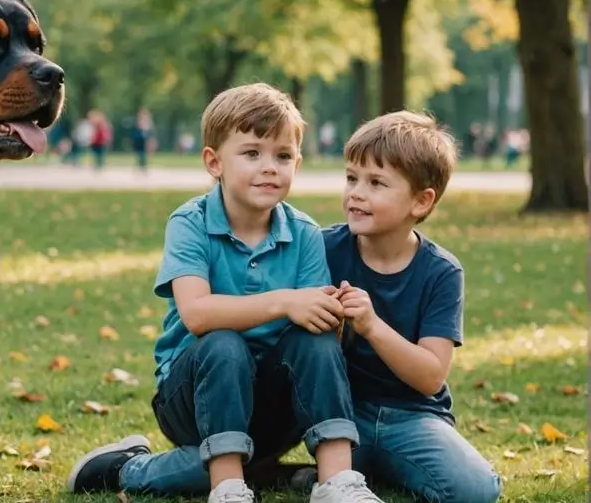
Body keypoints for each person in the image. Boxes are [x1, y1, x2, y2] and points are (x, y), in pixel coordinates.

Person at [67, 83, 383, 503]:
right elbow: (197, 315)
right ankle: (216, 483)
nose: (269, 167)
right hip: (195, 398)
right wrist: (286, 302)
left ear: (298, 163)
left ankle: (336, 481)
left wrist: (334, 312)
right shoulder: (190, 222)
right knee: (223, 343)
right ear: (214, 162)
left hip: (272, 405)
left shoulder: (305, 232)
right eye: (252, 153)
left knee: (317, 337)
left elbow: (319, 333)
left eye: (283, 156)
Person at [312, 111, 501, 502]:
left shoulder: (442, 272)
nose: (356, 193)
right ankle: (343, 470)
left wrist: (371, 326)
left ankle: (372, 468)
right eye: (351, 178)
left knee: (477, 490)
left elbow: (431, 376)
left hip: (414, 418)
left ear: (421, 201)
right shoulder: (322, 248)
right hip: (340, 415)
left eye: (376, 182)